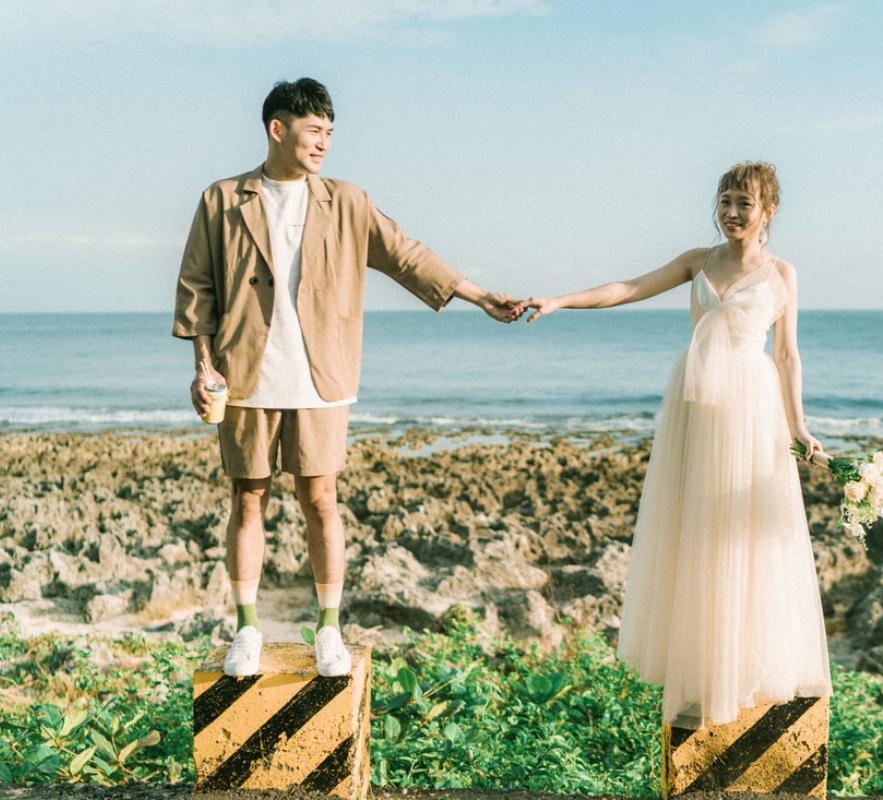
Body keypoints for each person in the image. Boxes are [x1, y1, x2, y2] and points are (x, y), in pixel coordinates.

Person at [173, 78, 524, 678]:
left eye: (331, 133)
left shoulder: (347, 200)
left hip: (321, 374)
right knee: (247, 498)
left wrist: (477, 294)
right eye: (314, 131)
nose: (324, 143)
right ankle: (247, 630)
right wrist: (203, 364)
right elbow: (196, 287)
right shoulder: (222, 199)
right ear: (278, 129)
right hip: (244, 372)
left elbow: (406, 254)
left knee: (321, 498)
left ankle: (330, 629)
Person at [524, 162, 830, 728]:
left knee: (744, 535)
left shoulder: (783, 273)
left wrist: (800, 428)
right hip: (693, 407)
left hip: (751, 409)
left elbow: (787, 356)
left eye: (744, 202)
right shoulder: (697, 260)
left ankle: (744, 670)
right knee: (695, 532)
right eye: (725, 201)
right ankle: (700, 667)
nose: (732, 212)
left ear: (769, 211)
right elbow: (627, 288)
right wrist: (559, 301)